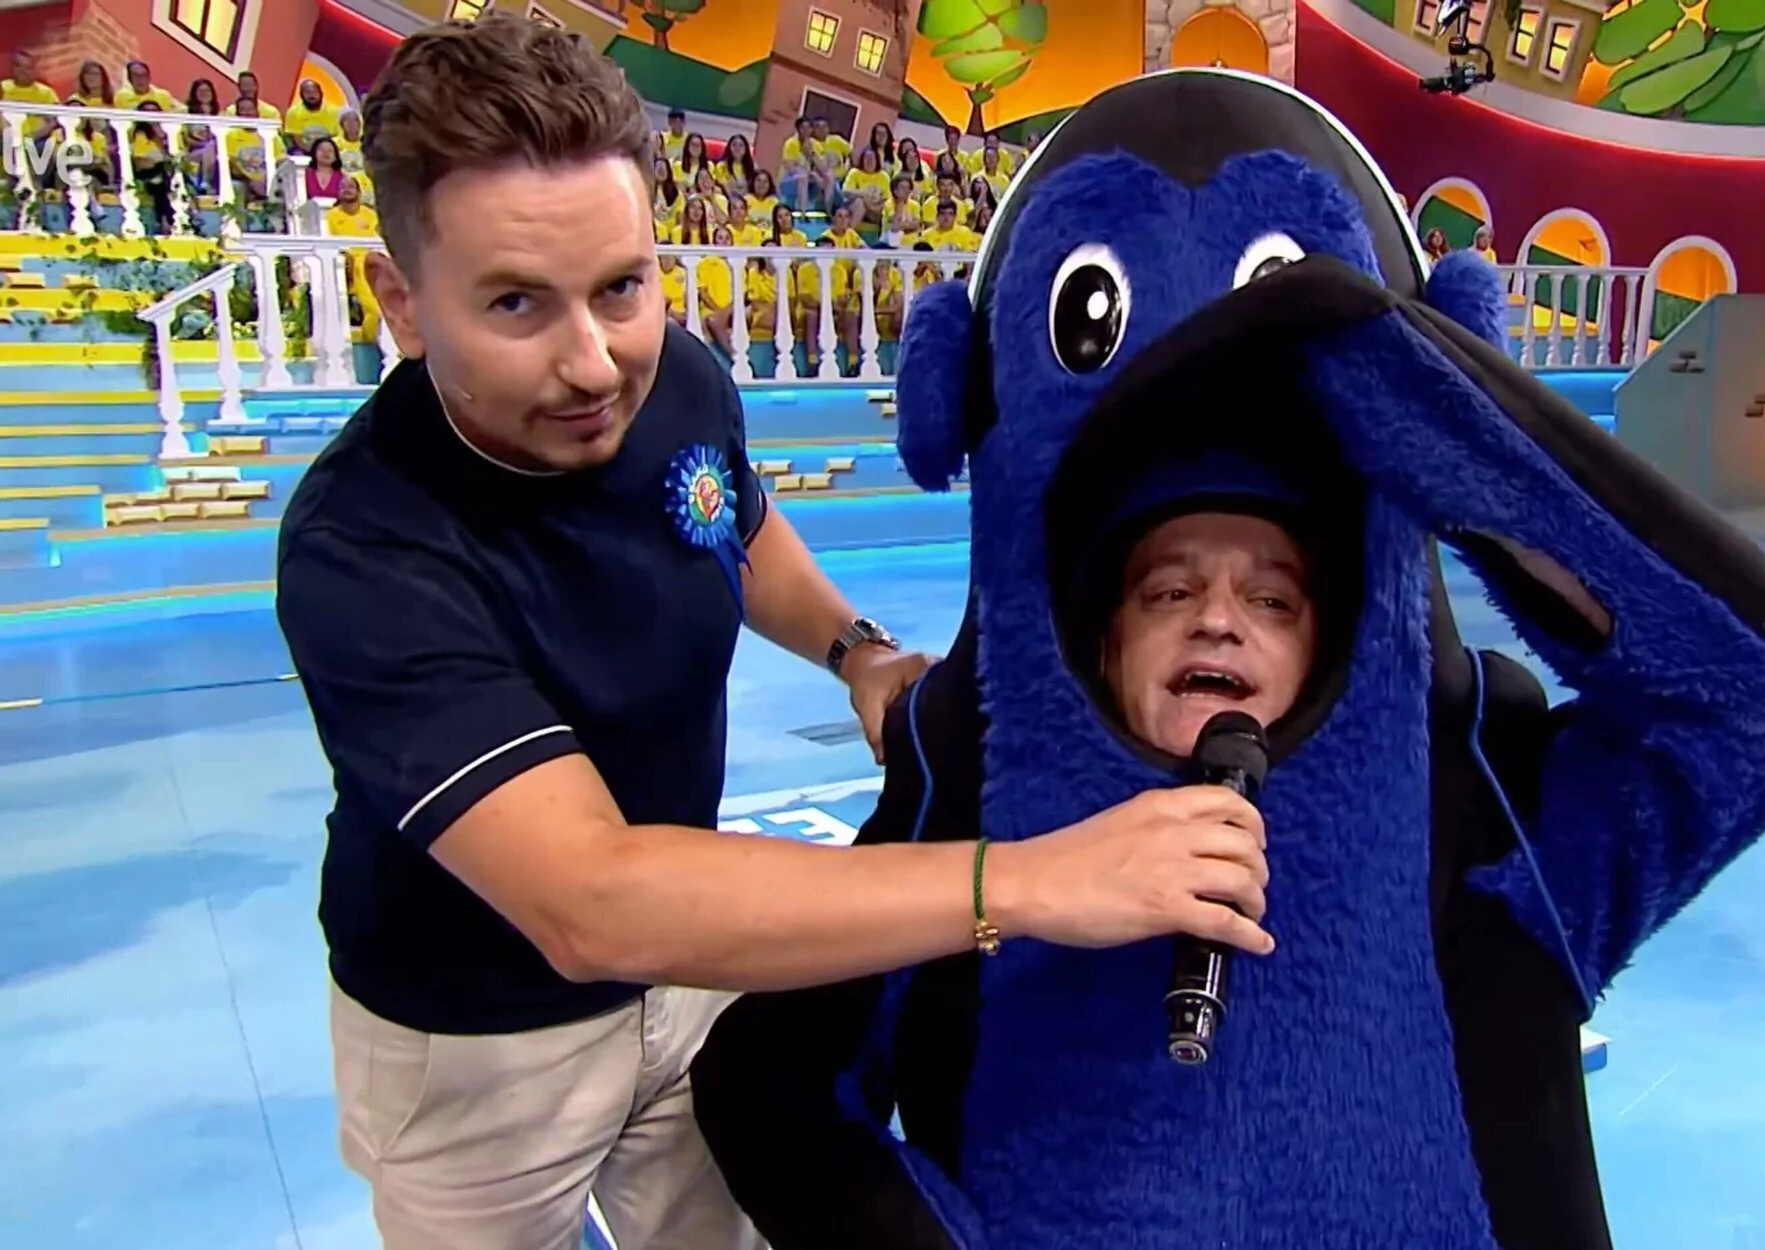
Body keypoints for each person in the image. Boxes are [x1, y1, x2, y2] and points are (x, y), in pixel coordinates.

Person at [690, 69, 1765, 1250]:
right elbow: (765, 1078)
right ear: (1103, 627)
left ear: (1334, 618)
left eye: (1270, 597)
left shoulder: (1482, 796)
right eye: (1167, 589)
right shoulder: (970, 789)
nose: (1217, 618)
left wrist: (1412, 390)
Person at [275, 21, 1277, 1250]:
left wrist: (855, 650)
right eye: (516, 303)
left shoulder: (673, 380)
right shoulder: (367, 550)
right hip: (474, 1045)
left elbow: (727, 520)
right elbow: (589, 900)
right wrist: (1028, 879)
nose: (593, 364)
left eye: (621, 287)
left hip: (691, 957)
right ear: (402, 303)